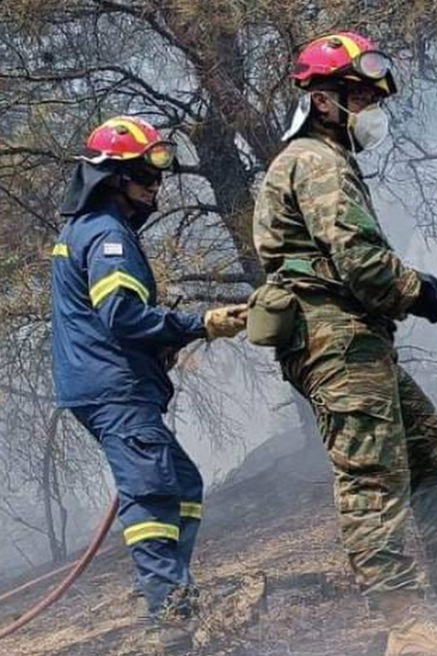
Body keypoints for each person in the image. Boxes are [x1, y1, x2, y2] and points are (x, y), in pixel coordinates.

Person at [249, 31, 437, 654]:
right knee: (373, 476)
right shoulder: (314, 162)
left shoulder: (329, 163)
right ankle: (408, 628)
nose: (373, 110)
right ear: (327, 101)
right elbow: (362, 264)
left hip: (360, 338)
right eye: (363, 96)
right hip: (333, 339)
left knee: (434, 460)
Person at [50, 116, 248, 653]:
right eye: (145, 177)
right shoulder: (109, 236)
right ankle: (170, 616)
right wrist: (199, 323)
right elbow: (122, 316)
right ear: (114, 179)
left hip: (105, 384)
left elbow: (109, 321)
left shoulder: (82, 232)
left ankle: (171, 592)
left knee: (182, 485)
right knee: (155, 492)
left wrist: (173, 339)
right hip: (115, 389)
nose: (156, 188)